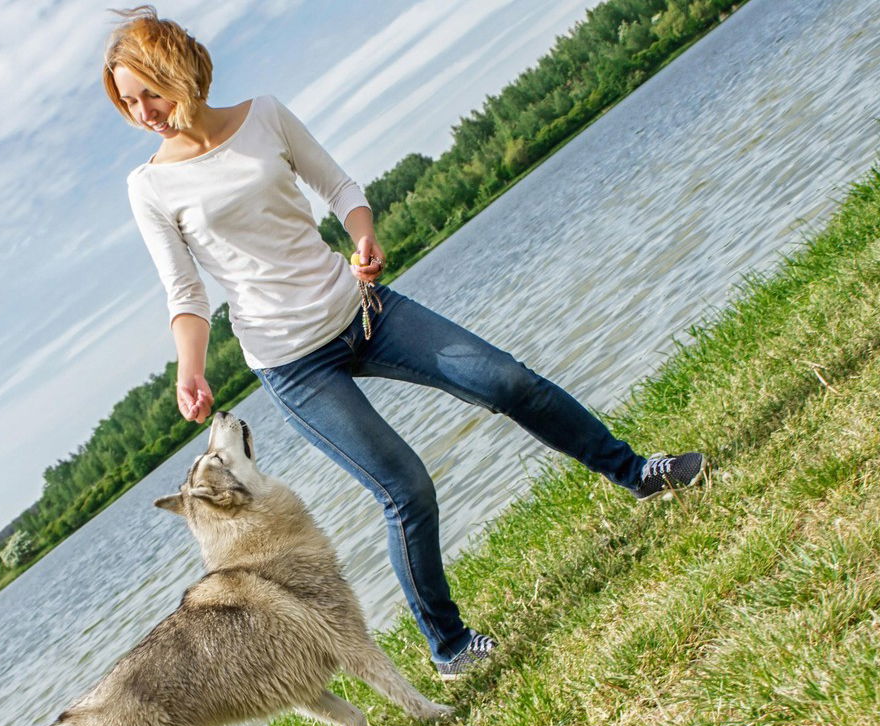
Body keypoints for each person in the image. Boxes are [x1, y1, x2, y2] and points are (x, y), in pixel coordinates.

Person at [104, 6, 705, 680]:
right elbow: (184, 291)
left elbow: (339, 188)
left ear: (180, 70)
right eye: (129, 104)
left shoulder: (264, 115)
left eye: (149, 92)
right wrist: (191, 369)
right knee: (406, 489)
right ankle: (448, 645)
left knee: (508, 382)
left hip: (363, 310)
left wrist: (362, 234)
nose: (144, 113)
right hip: (293, 364)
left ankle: (640, 474)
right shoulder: (151, 185)